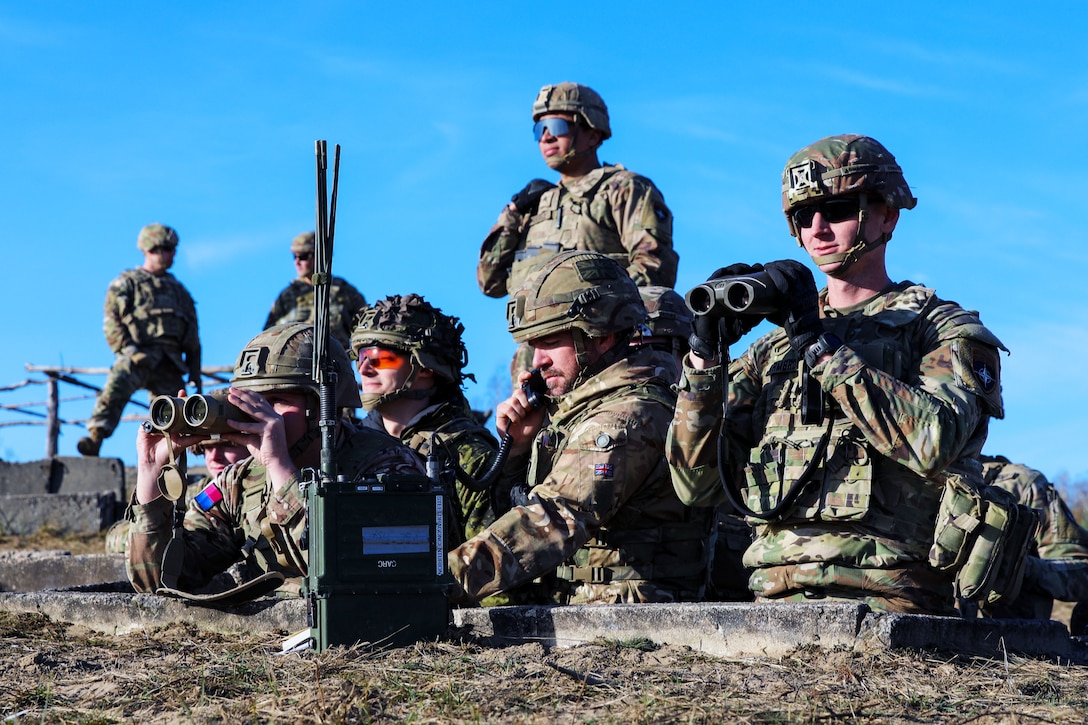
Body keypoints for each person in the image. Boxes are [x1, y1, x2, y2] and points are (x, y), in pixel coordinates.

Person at [667, 134, 1008, 614]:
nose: (819, 229)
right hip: (773, 600)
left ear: (888, 213)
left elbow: (934, 439)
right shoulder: (772, 350)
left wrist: (821, 350)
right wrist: (705, 358)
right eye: (805, 217)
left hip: (892, 594)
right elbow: (696, 484)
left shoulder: (938, 329)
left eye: (840, 209)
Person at [449, 250, 713, 605]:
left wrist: (437, 582)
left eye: (549, 341)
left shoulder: (625, 418)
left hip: (625, 625)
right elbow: (518, 507)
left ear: (599, 333)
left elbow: (551, 521)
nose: (538, 360)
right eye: (533, 345)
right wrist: (517, 449)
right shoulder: (585, 411)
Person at [124, 322, 424, 601]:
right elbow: (159, 583)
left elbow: (360, 575)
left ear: (323, 407)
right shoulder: (238, 483)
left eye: (278, 400)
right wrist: (151, 477)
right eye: (251, 401)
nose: (260, 414)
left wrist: (280, 467)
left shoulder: (388, 468)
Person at [477, 82, 678, 381]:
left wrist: (593, 310)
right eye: (539, 129)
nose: (545, 136)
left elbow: (654, 269)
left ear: (592, 132)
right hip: (533, 364)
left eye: (556, 125)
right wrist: (512, 213)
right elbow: (489, 282)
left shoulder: (622, 189)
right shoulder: (533, 205)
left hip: (600, 355)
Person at [349, 293, 500, 546]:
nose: (364, 369)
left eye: (378, 358)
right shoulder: (345, 448)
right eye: (361, 357)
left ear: (426, 368)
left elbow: (492, 568)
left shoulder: (469, 458)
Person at [78, 223, 201, 457]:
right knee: (116, 386)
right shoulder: (127, 283)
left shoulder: (180, 292)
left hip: (170, 363)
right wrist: (129, 350)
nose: (170, 254)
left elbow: (193, 338)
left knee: (176, 411)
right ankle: (96, 436)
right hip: (137, 355)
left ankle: (178, 452)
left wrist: (194, 374)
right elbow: (112, 321)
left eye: (172, 249)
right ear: (148, 249)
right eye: (164, 248)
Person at [980, 454, 1088, 628]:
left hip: (1008, 641)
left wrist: (1016, 567)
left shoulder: (1020, 484)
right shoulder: (923, 484)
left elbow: (1082, 572)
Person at [263, 231, 367, 351]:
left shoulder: (343, 291)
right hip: (297, 364)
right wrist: (287, 322)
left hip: (336, 362)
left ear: (317, 256)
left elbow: (365, 327)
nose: (297, 262)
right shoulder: (288, 295)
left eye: (303, 257)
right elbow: (267, 337)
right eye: (294, 257)